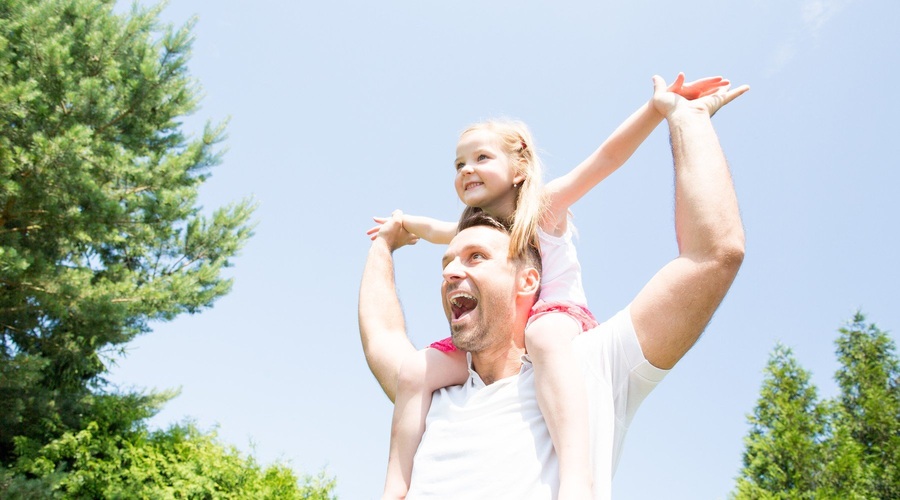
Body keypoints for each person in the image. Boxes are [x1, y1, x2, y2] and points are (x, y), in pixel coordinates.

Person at [359, 74, 748, 498]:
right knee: (416, 368)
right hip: (520, 338)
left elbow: (607, 160)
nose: (467, 169)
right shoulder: (441, 392)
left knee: (542, 336)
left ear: (519, 166)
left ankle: (576, 478)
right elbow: (387, 328)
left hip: (558, 315)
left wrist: (663, 111)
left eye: (476, 257)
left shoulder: (542, 215)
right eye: (458, 164)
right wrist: (391, 235)